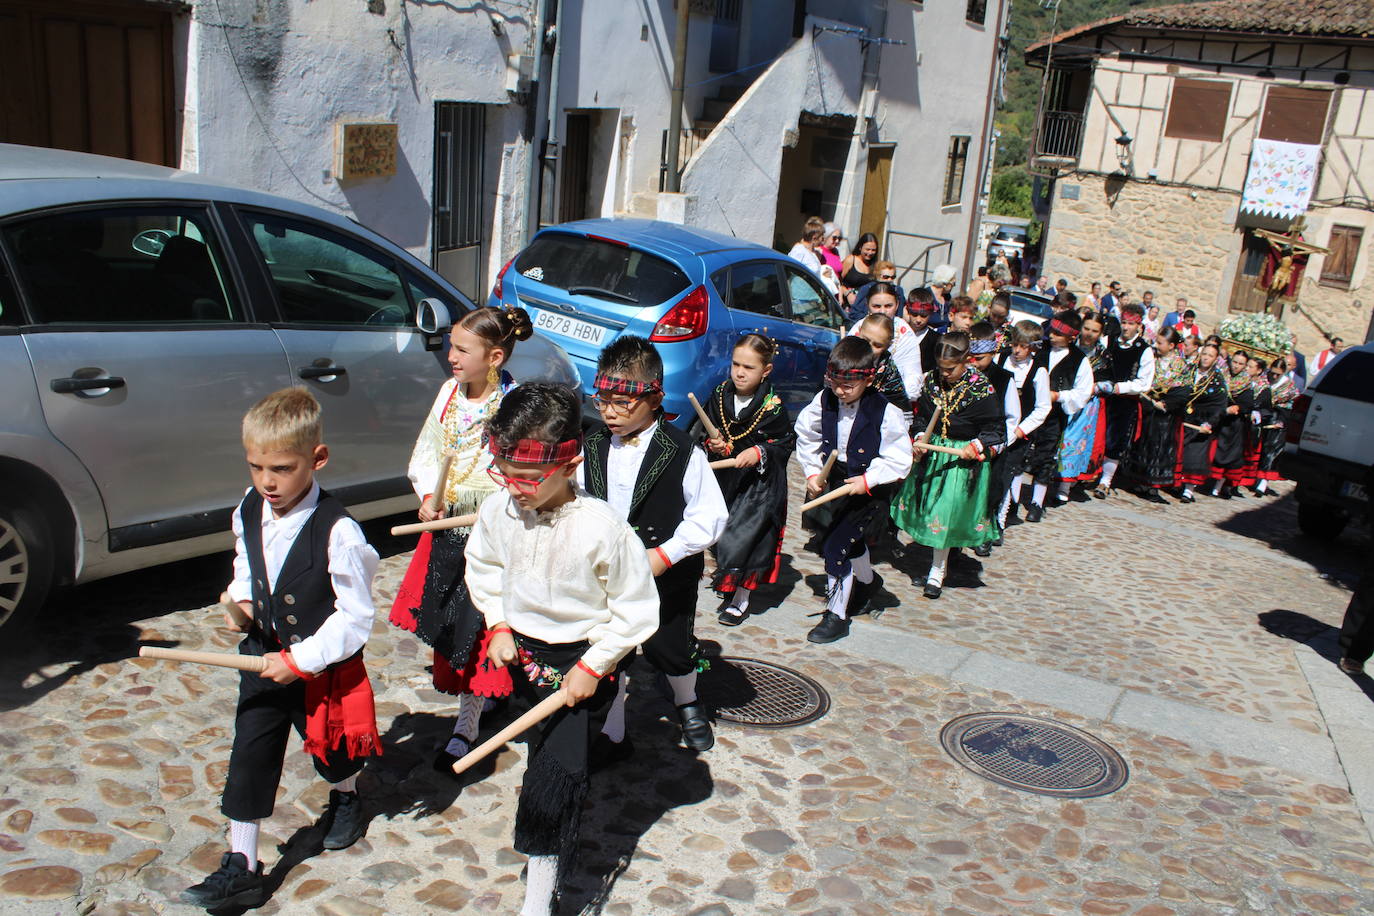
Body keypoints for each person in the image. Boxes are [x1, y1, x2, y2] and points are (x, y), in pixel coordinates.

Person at [182, 388, 382, 910]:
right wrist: (243, 603)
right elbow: (248, 565)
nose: (267, 482)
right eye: (255, 467)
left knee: (332, 753)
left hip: (321, 666)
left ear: (317, 459)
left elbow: (357, 617)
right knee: (250, 749)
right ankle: (242, 864)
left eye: (282, 468)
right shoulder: (250, 508)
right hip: (262, 654)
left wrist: (302, 661)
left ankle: (347, 798)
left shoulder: (340, 531)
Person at [464, 383, 659, 916]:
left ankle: (539, 895)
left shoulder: (603, 529)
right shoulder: (500, 510)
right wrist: (499, 625)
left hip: (580, 661)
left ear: (569, 463)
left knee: (551, 779)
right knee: (536, 752)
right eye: (507, 474)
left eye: (529, 478)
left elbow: (638, 609)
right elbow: (485, 567)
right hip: (523, 654)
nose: (517, 488)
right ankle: (552, 839)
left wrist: (595, 665)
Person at [389, 305, 530, 769]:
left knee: (476, 629)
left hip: (488, 537)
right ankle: (485, 702)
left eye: (461, 349)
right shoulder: (449, 394)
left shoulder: (512, 405)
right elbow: (428, 450)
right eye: (451, 345)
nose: (451, 356)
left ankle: (466, 726)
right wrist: (430, 494)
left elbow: (517, 472)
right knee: (451, 624)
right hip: (446, 531)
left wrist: (492, 511)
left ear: (494, 357)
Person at [579, 337, 727, 755]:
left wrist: (665, 555)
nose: (608, 410)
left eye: (621, 401)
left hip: (667, 574)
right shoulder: (592, 445)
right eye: (602, 399)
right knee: (611, 647)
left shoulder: (681, 450)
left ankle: (687, 700)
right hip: (609, 574)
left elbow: (710, 516)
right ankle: (613, 731)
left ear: (654, 396)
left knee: (671, 643)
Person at [794, 336, 912, 643]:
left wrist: (868, 479)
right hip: (835, 480)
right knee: (846, 543)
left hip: (870, 490)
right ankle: (869, 583)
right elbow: (806, 436)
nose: (841, 391)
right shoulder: (824, 400)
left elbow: (900, 459)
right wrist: (812, 473)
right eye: (836, 383)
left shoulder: (885, 412)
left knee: (836, 550)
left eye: (849, 386)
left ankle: (837, 615)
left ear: (868, 379)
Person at [892, 332, 1005, 597]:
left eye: (950, 369)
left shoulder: (981, 387)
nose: (944, 374)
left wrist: (976, 445)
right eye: (941, 368)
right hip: (934, 454)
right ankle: (939, 559)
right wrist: (921, 437)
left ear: (967, 360)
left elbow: (996, 428)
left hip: (960, 460)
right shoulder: (932, 380)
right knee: (930, 511)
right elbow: (922, 419)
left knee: (945, 512)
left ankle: (936, 572)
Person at [702, 334, 796, 625]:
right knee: (720, 535)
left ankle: (741, 599)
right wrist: (713, 444)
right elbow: (708, 432)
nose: (740, 372)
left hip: (758, 486)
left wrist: (759, 451)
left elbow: (784, 441)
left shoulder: (773, 406)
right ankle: (728, 580)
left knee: (747, 540)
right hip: (727, 478)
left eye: (749, 367)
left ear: (765, 370)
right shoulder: (719, 395)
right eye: (735, 365)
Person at [1020, 310, 1094, 522]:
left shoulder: (1079, 360)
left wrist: (1058, 395)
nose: (1052, 336)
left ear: (1071, 337)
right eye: (1052, 331)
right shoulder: (1039, 350)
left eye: (1059, 334)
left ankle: (1036, 502)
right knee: (1021, 453)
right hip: (1030, 411)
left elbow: (1083, 392)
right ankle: (1013, 499)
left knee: (1045, 456)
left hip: (1054, 416)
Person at [967, 322, 1022, 557]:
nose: (974, 363)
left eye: (979, 358)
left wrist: (997, 446)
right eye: (970, 357)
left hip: (992, 448)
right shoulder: (964, 374)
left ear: (992, 353)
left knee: (988, 492)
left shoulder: (1003, 378)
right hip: (966, 444)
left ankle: (983, 535)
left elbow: (1012, 417)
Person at [1124, 328, 1191, 503]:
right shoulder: (1152, 358)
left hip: (1165, 416)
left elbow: (1184, 391)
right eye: (1157, 342)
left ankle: (1153, 484)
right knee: (1142, 444)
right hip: (1147, 408)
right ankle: (1138, 480)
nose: (1156, 346)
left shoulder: (1180, 366)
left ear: (1171, 345)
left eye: (1160, 343)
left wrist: (1167, 403)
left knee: (1159, 448)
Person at [1094, 303, 1155, 498]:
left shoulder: (1143, 350)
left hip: (1124, 402)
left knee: (1115, 440)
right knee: (1095, 435)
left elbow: (1144, 383)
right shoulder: (1108, 341)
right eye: (1124, 322)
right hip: (1101, 396)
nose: (1126, 327)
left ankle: (1105, 481)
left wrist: (1120, 387)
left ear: (1139, 326)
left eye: (1131, 323)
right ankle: (1086, 473)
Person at [995, 320, 1051, 529]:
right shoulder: (1000, 360)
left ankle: (999, 523)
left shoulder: (1038, 371)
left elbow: (1042, 408)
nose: (1017, 350)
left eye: (1023, 346)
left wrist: (1021, 430)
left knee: (1005, 479)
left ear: (1033, 347)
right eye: (1015, 344)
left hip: (1017, 437)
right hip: (994, 429)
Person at [1054, 313, 1111, 503]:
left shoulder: (1104, 355)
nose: (1089, 334)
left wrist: (1091, 387)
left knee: (1073, 441)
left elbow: (1109, 382)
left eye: (1094, 331)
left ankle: (1065, 485)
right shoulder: (1069, 347)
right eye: (1086, 329)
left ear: (1100, 333)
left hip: (1085, 406)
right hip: (1060, 397)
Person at [1176, 342, 1229, 503]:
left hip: (1201, 422)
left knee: (1195, 455)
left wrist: (1210, 423)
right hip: (1184, 417)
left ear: (1215, 359)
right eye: (1204, 354)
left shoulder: (1217, 380)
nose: (1206, 358)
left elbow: (1219, 406)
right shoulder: (1188, 370)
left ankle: (1189, 490)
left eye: (1210, 356)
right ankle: (1176, 483)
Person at [851, 281, 922, 401]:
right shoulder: (858, 328)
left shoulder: (905, 333)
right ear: (867, 304)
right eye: (876, 306)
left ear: (897, 304)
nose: (883, 311)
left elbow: (912, 375)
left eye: (888, 306)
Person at [1206, 349, 1256, 498]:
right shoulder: (1221, 375)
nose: (1236, 366)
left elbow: (1248, 404)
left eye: (1240, 364)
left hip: (1233, 424)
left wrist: (1238, 408)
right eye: (1234, 362)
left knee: (1227, 455)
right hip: (1218, 417)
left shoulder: (1246, 383)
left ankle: (1219, 486)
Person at [856, 313, 913, 427]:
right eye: (865, 340)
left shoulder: (888, 368)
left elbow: (898, 400)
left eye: (877, 345)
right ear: (859, 331)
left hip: (874, 420)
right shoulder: (844, 355)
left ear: (888, 345)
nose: (869, 348)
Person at [1252, 360, 1298, 495]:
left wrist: (1282, 420)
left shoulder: (1289, 387)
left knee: (1270, 451)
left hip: (1278, 420)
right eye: (1273, 373)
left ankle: (1263, 481)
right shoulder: (1263, 380)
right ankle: (1253, 477)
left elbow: (1290, 406)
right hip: (1261, 417)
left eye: (1278, 374)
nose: (1274, 377)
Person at [789, 216, 840, 294]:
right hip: (800, 297)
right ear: (814, 238)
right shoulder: (799, 250)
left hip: (811, 295)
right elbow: (791, 272)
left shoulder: (812, 252)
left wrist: (823, 275)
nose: (823, 239)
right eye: (821, 236)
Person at [905, 287, 943, 378]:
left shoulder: (937, 340)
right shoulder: (898, 333)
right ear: (908, 311)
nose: (918, 320)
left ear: (930, 314)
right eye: (914, 314)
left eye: (923, 316)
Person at [840, 232, 879, 304]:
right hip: (847, 303)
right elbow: (838, 281)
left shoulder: (875, 265)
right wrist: (847, 293)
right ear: (860, 247)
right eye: (867, 249)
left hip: (864, 305)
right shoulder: (850, 260)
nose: (870, 253)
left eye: (873, 250)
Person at [926, 264, 958, 330]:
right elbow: (925, 317)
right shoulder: (926, 294)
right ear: (945, 284)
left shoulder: (947, 297)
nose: (954, 286)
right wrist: (948, 318)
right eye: (953, 284)